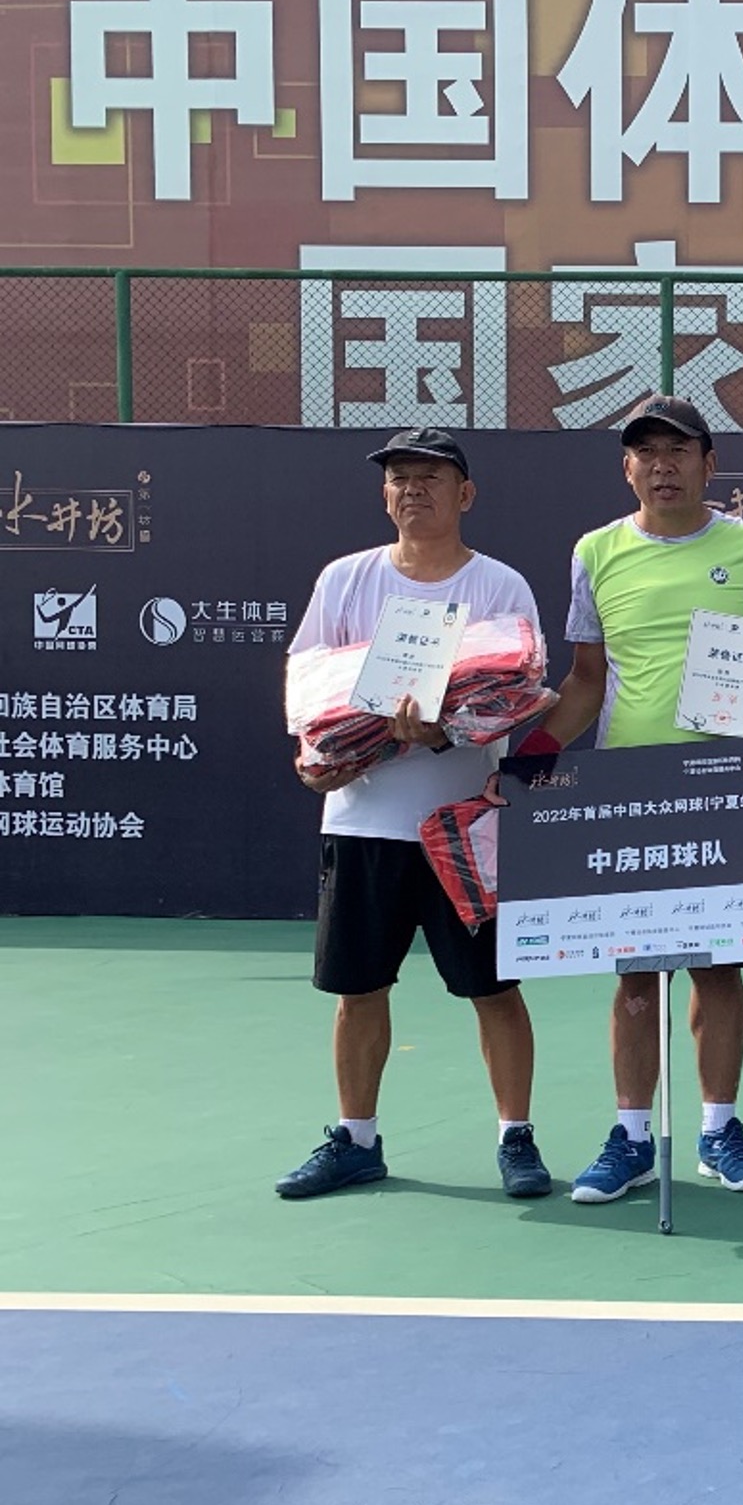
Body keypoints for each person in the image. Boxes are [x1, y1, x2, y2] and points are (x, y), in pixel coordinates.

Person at [533, 395, 743, 1206]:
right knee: (636, 978)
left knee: (718, 971)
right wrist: (534, 755)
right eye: (645, 453)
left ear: (708, 465)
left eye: (678, 451)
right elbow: (586, 680)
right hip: (630, 792)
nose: (662, 466)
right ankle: (630, 1138)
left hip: (727, 792)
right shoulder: (596, 552)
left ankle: (719, 1130)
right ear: (628, 468)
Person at [276, 428, 552, 1201]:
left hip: (463, 830)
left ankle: (516, 1138)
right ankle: (356, 1140)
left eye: (430, 477)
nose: (413, 490)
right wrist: (321, 755)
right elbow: (310, 689)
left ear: (466, 494)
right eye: (400, 478)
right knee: (358, 990)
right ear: (384, 494)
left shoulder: (500, 586)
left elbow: (520, 697)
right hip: (362, 823)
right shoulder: (345, 580)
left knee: (493, 990)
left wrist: (445, 733)